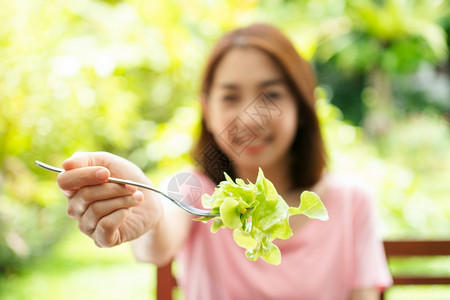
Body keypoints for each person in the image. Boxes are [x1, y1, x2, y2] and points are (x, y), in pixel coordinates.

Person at [57, 23, 392, 300]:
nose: (249, 119)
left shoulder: (352, 201)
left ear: (302, 106)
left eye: (270, 95)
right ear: (207, 108)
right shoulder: (191, 188)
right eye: (230, 96)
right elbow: (158, 236)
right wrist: (146, 212)